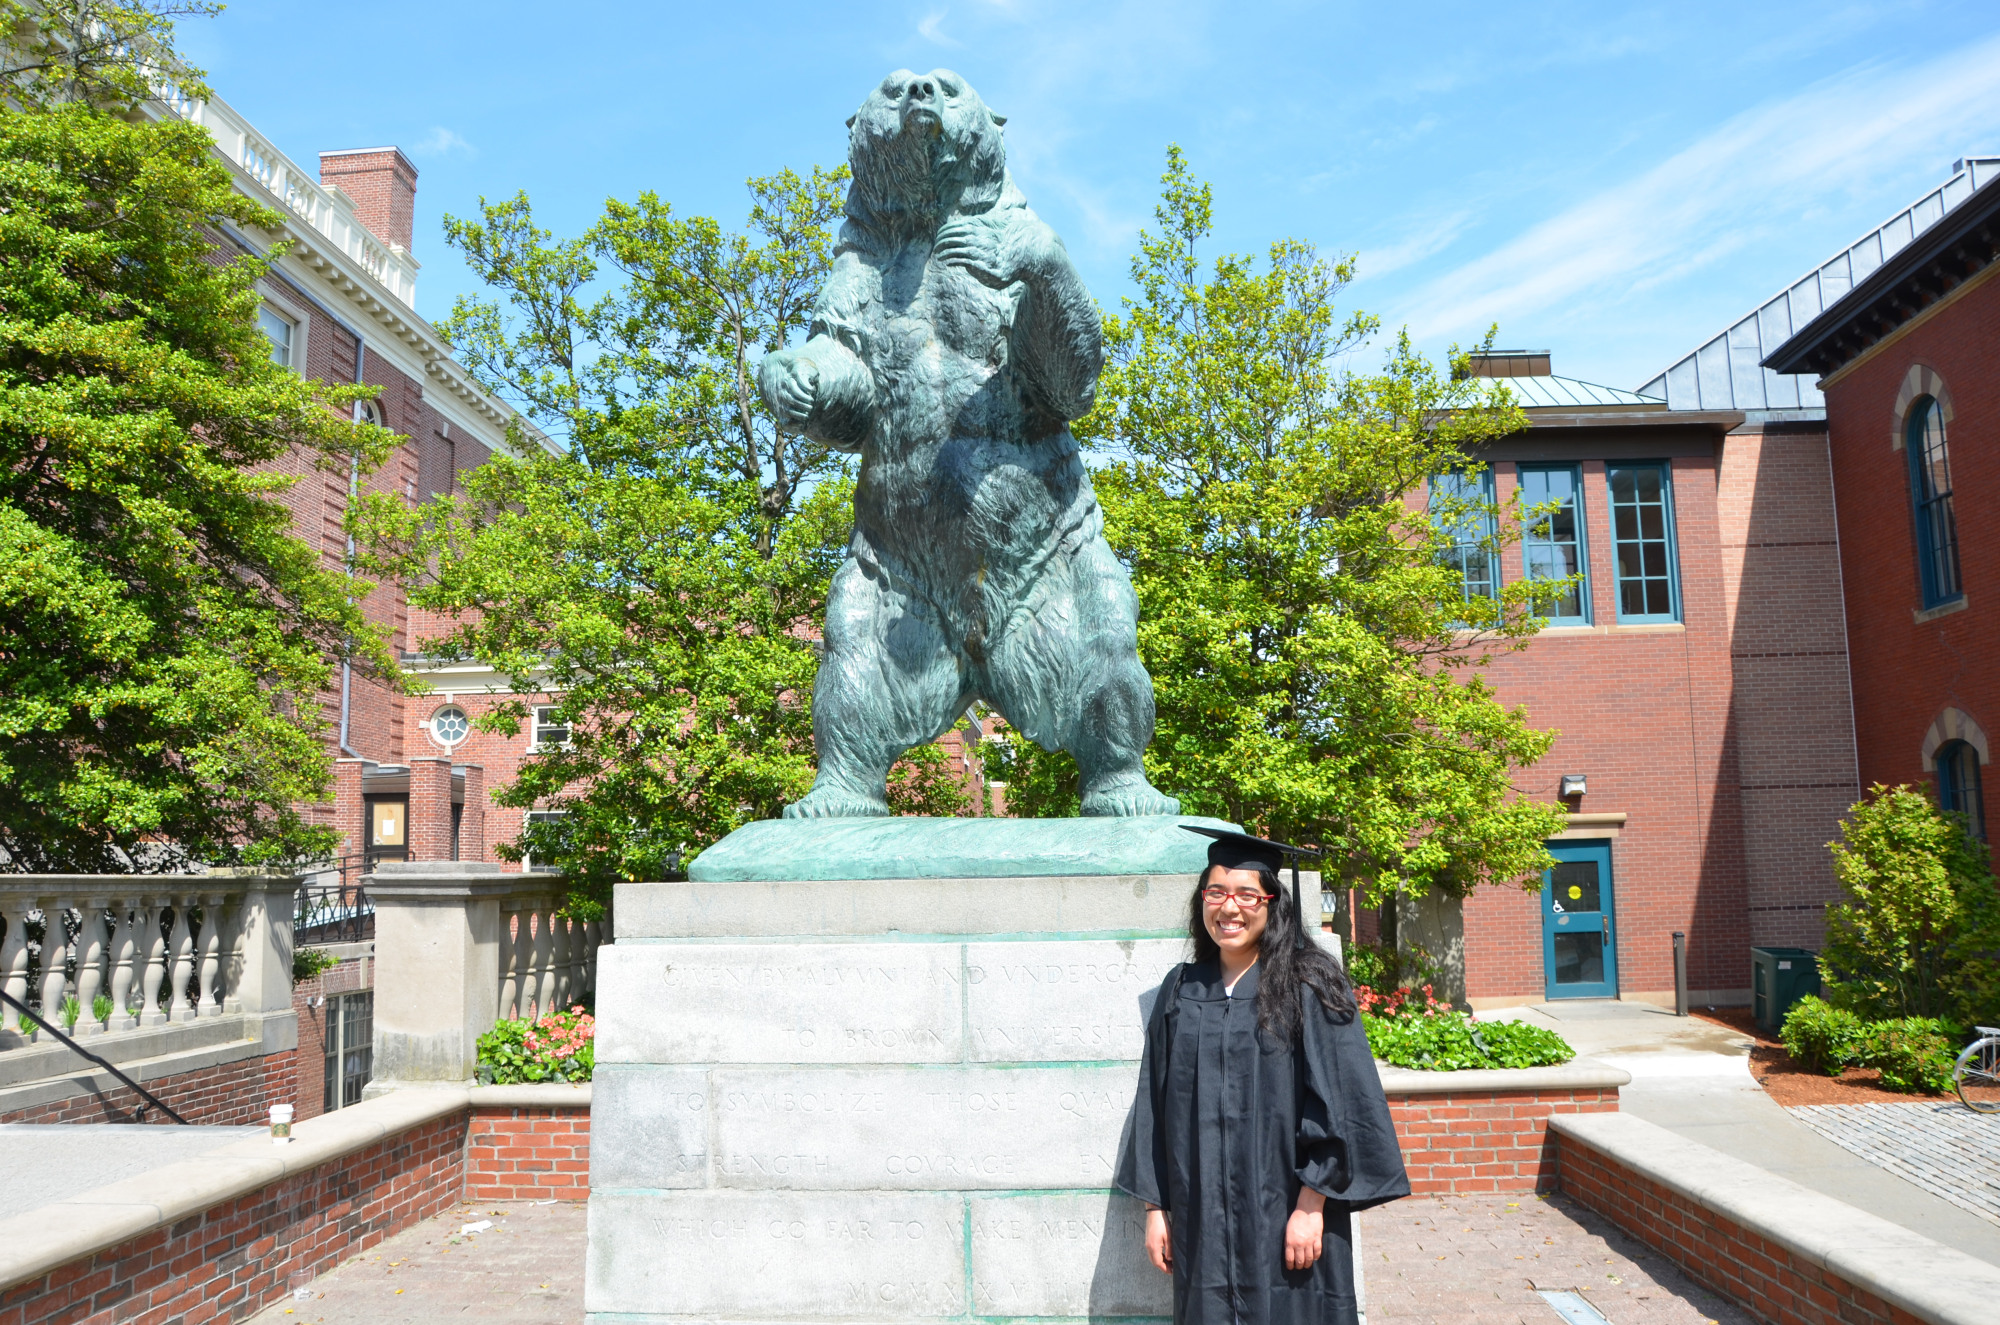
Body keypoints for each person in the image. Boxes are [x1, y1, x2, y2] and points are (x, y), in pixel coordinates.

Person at [1115, 826, 1409, 1325]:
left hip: (1287, 1214)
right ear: (1201, 900)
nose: (1229, 908)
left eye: (1247, 894)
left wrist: (1312, 1205)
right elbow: (1154, 1105)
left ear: (1273, 904)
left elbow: (1343, 1103)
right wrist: (1154, 1208)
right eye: (1216, 892)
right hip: (1200, 1217)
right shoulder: (1182, 991)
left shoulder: (1308, 984)